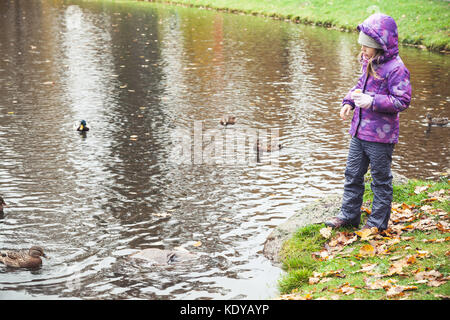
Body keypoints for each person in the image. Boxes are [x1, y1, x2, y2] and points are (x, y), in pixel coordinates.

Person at [325, 13, 411, 232]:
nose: (362, 50)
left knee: (380, 180)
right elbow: (359, 85)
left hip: (381, 137)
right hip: (359, 132)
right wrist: (349, 102)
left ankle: (377, 223)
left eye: (366, 46)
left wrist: (373, 101)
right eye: (361, 46)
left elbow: (402, 100)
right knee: (352, 174)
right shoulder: (368, 62)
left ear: (380, 46)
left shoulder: (396, 69)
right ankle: (348, 215)